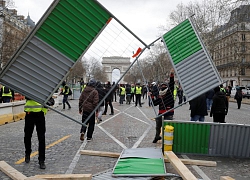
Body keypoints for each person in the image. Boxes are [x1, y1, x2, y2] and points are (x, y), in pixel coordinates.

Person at [24, 97, 54, 169]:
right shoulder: (29, 87)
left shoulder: (44, 89)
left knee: (41, 139)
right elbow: (26, 96)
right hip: (29, 114)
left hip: (40, 115)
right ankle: (27, 153)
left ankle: (41, 161)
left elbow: (51, 101)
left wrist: (49, 101)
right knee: (27, 136)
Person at [151, 69, 175, 143]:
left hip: (169, 112)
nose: (163, 87)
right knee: (158, 126)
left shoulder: (169, 93)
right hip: (161, 113)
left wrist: (171, 75)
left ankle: (168, 139)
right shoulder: (160, 95)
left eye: (165, 86)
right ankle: (157, 136)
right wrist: (151, 96)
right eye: (162, 86)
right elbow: (155, 103)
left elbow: (171, 84)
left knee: (168, 127)